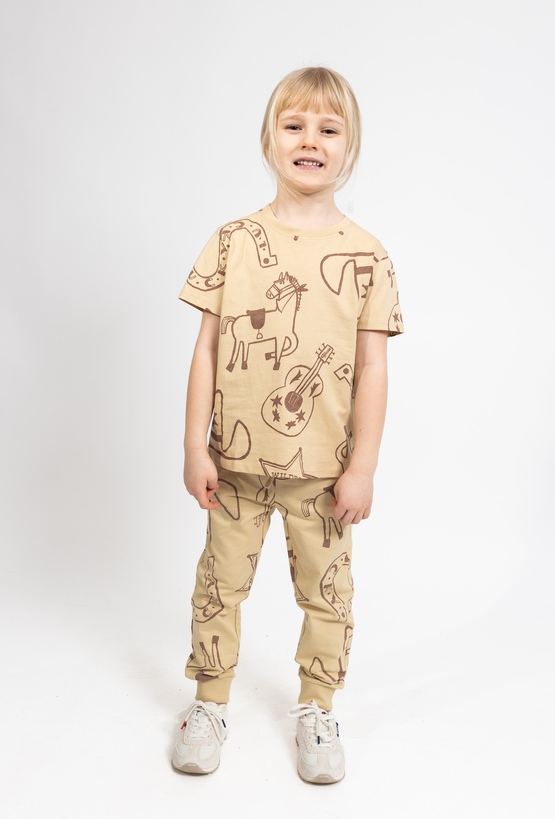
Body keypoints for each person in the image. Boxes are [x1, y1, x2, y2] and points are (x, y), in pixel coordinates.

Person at [172, 66, 404, 784]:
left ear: (349, 146)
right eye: (294, 125)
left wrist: (362, 466)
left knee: (327, 595)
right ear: (269, 139)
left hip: (323, 473)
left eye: (328, 129)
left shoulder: (368, 255)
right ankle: (209, 702)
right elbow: (206, 349)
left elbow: (372, 367)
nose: (310, 141)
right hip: (234, 465)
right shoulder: (233, 240)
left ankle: (317, 707)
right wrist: (193, 444)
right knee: (219, 585)